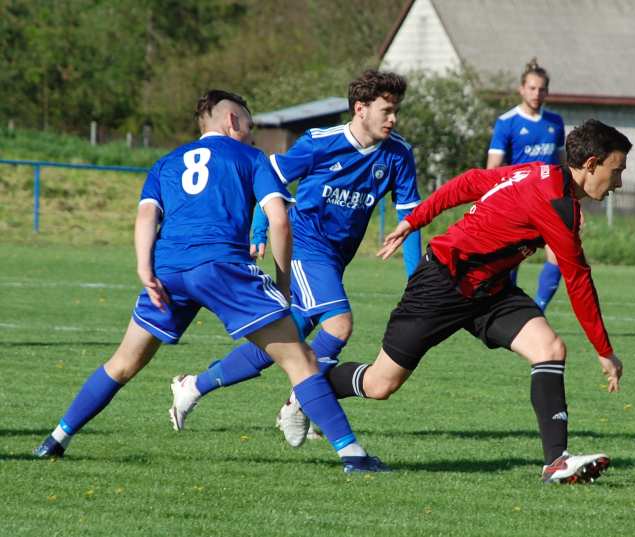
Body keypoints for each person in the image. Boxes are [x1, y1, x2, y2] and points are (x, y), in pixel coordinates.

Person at [33, 90, 386, 473]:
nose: (253, 134)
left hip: (168, 271)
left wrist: (143, 269)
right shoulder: (251, 158)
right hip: (222, 266)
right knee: (301, 360)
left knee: (121, 364)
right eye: (250, 125)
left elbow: (145, 219)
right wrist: (283, 286)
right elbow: (280, 220)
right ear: (232, 121)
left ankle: (56, 439)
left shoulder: (166, 163)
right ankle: (353, 457)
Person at [316, 119, 630, 484]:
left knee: (550, 348)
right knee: (380, 385)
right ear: (591, 164)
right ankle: (309, 387)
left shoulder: (543, 175)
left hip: (489, 291)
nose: (619, 183)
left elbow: (470, 182)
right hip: (443, 282)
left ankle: (556, 462)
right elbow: (577, 279)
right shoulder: (555, 202)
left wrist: (416, 220)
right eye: (616, 170)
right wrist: (604, 351)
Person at [168, 70, 422, 447]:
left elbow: (410, 219)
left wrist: (417, 281)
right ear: (360, 108)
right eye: (386, 109)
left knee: (285, 340)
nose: (393, 118)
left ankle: (194, 385)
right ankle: (300, 401)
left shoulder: (398, 154)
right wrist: (258, 231)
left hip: (337, 258)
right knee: (339, 324)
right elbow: (268, 179)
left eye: (396, 110)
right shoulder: (320, 143)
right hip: (306, 245)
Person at [486, 58, 566, 312]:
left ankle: (537, 309)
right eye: (532, 88)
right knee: (512, 258)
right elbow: (493, 168)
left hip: (550, 203)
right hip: (518, 202)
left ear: (547, 91)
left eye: (541, 89)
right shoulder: (507, 122)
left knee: (559, 256)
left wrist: (571, 202)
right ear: (522, 89)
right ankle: (507, 309)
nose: (536, 93)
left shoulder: (555, 122)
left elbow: (563, 165)